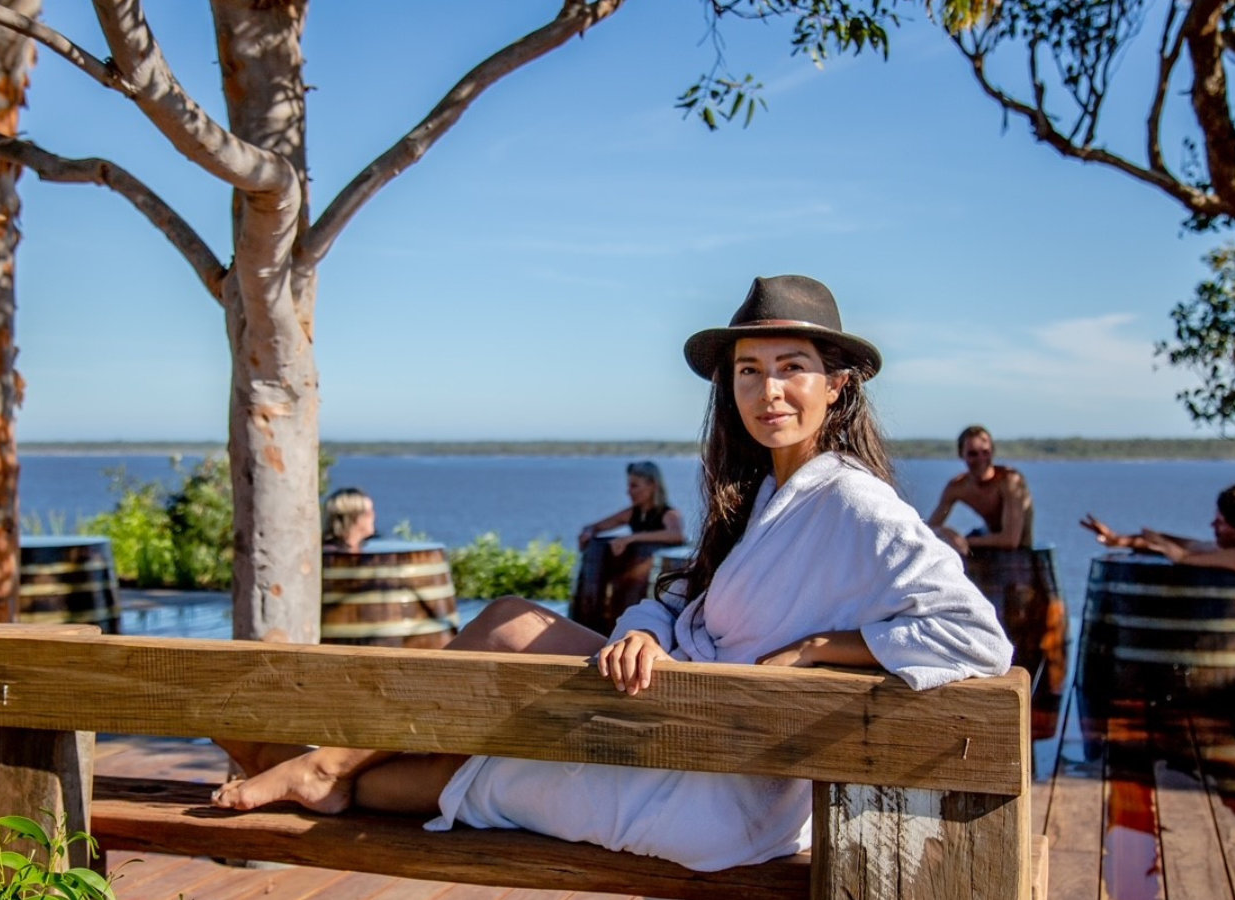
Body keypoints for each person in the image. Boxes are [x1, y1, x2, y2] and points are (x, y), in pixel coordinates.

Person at [211, 274, 1013, 872]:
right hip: (684, 728)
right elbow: (682, 602)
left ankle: (323, 765)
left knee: (500, 690)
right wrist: (641, 633)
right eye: (748, 371)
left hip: (719, 787)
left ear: (837, 386)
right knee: (507, 650)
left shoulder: (856, 506)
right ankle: (320, 768)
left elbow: (977, 637)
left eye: (791, 367)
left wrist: (817, 652)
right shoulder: (769, 494)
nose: (768, 390)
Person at [1080, 484, 1235, 573]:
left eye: (1221, 522)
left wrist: (1184, 558)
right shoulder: (1223, 551)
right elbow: (1180, 544)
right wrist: (1118, 540)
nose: (1213, 526)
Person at [926, 425, 1034, 555]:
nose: (980, 459)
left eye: (985, 452)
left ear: (993, 451)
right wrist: (945, 533)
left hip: (1020, 551)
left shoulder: (1009, 480)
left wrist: (965, 541)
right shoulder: (958, 487)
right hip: (987, 543)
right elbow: (928, 530)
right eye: (973, 454)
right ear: (961, 454)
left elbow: (1011, 540)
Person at [577, 461, 684, 557]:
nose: (629, 492)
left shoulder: (669, 514)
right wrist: (588, 533)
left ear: (653, 486)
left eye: (634, 486)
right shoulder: (632, 513)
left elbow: (676, 535)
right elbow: (595, 527)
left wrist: (630, 538)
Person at [321, 487, 377, 553]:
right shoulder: (331, 556)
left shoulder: (363, 552)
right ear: (352, 517)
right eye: (368, 513)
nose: (374, 516)